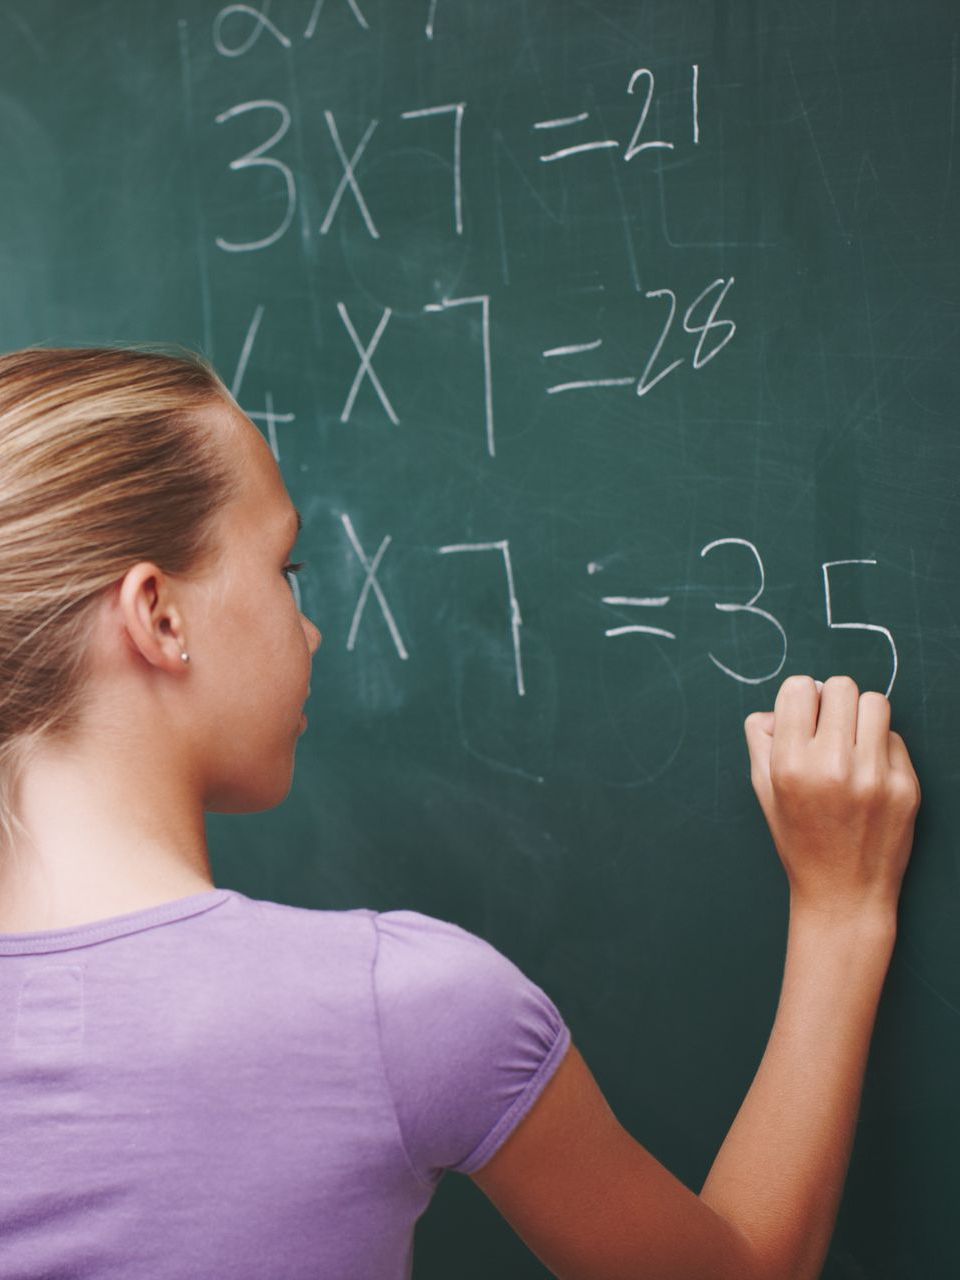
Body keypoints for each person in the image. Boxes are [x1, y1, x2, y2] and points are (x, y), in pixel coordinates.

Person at [0, 344, 921, 1280]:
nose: (311, 626)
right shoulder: (395, 1010)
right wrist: (843, 913)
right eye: (289, 566)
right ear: (159, 617)